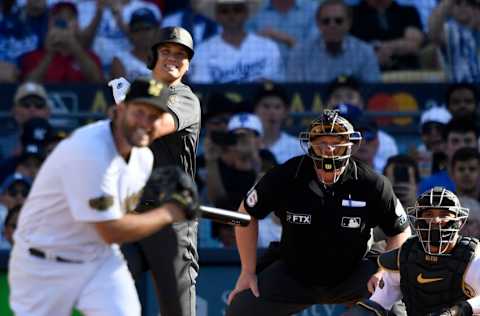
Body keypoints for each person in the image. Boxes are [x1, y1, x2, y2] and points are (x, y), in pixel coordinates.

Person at [8, 77, 199, 316]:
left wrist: (157, 196)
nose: (146, 123)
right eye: (139, 112)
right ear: (119, 110)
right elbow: (111, 231)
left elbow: (120, 212)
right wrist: (170, 211)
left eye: (154, 116)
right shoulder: (90, 150)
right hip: (44, 261)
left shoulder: (143, 157)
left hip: (98, 259)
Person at [226, 109, 411, 316]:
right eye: (321, 142)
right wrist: (247, 271)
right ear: (310, 144)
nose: (329, 149)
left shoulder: (372, 183)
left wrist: (384, 271)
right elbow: (246, 213)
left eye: (336, 142)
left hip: (354, 270)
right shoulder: (286, 175)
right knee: (242, 306)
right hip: (293, 272)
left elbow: (401, 231)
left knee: (396, 307)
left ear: (350, 145)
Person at [114, 26, 202, 316]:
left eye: (181, 55)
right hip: (134, 212)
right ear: (153, 56)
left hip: (173, 218)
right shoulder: (138, 95)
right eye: (166, 51)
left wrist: (128, 111)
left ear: (188, 65)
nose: (173, 59)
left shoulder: (184, 97)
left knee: (177, 310)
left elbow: (156, 126)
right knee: (108, 289)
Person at [344, 186, 480, 315]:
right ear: (417, 221)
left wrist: (460, 310)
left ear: (459, 222)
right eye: (428, 214)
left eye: (444, 214)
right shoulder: (406, 255)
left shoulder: (472, 257)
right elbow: (380, 302)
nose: (436, 220)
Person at [286, 0, 381, 82]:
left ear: (349, 23)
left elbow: (371, 92)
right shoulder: (300, 53)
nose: (332, 25)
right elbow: (295, 93)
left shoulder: (365, 53)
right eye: (326, 21)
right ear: (318, 24)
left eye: (338, 21)